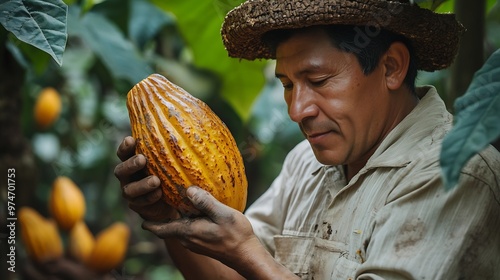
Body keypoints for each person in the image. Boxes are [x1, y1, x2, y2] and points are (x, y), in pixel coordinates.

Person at [114, 0, 500, 279]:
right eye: (286, 85)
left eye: (318, 81)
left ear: (391, 67)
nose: (297, 110)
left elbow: (248, 259)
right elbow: (231, 271)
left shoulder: (455, 174)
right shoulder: (305, 163)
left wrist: (246, 253)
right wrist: (171, 218)